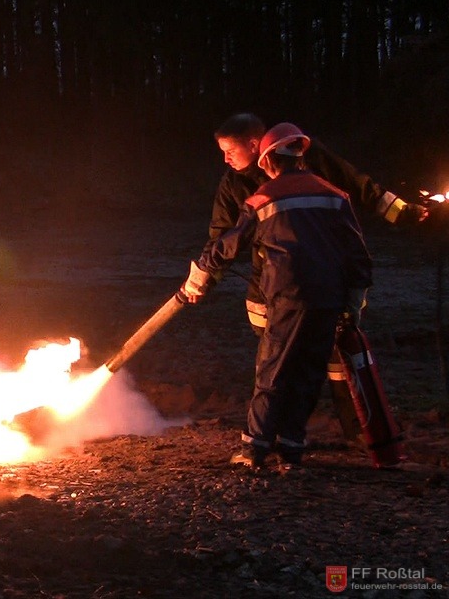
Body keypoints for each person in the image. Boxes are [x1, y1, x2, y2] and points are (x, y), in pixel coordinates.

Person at [205, 113, 427, 444]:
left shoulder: (306, 167)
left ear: (256, 147)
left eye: (230, 151)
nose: (225, 159)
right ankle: (287, 437)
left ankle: (348, 430)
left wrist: (403, 214)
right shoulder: (234, 184)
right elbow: (223, 237)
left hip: (311, 282)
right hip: (275, 287)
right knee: (288, 365)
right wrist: (204, 278)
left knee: (322, 361)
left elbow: (358, 185)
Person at [182, 122, 373, 469]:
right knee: (308, 372)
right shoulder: (334, 195)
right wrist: (354, 302)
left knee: (273, 371)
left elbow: (229, 242)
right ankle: (291, 447)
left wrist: (199, 275)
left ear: (267, 160)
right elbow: (358, 254)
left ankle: (254, 448)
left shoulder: (262, 199)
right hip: (328, 300)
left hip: (288, 297)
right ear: (299, 154)